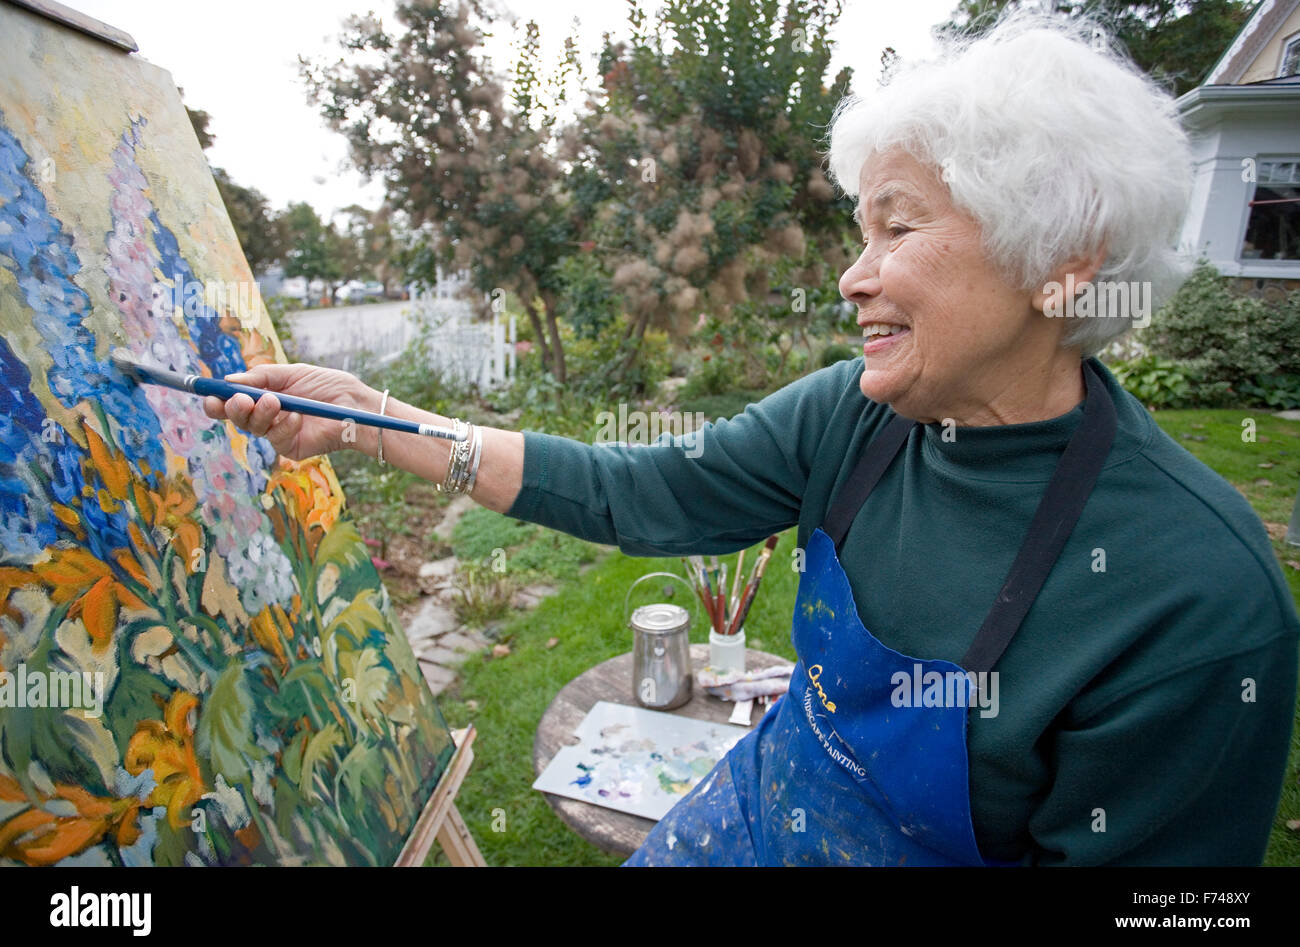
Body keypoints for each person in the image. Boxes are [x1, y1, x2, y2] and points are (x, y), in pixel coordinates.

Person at [205, 11, 1300, 865]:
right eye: (856, 229)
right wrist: (378, 419)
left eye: (898, 225)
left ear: (1065, 252)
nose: (850, 275)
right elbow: (631, 491)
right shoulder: (851, 417)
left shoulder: (1193, 602)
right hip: (749, 817)